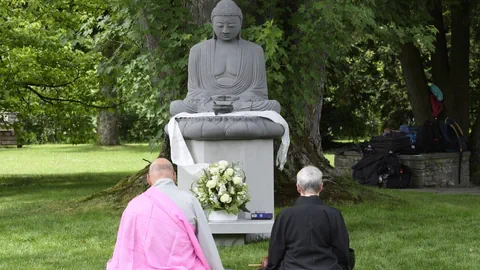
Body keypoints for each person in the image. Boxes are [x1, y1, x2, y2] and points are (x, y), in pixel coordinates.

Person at [107, 158, 224, 270]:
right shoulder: (189, 201)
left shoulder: (134, 205)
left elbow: (125, 246)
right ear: (174, 176)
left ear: (148, 179)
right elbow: (205, 242)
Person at [263, 166, 352, 270]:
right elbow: (342, 251)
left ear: (298, 187)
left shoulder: (285, 215)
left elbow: (276, 252)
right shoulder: (334, 214)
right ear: (321, 187)